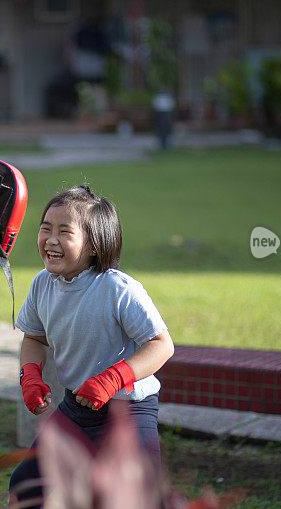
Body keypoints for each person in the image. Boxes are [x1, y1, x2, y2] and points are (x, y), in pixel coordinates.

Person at [9, 185, 175, 506]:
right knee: (27, 485)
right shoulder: (42, 284)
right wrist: (29, 375)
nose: (51, 240)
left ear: (94, 246)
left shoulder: (118, 289)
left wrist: (112, 379)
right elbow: (34, 337)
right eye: (45, 229)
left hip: (129, 411)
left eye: (64, 232)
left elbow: (161, 345)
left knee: (138, 496)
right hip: (75, 409)